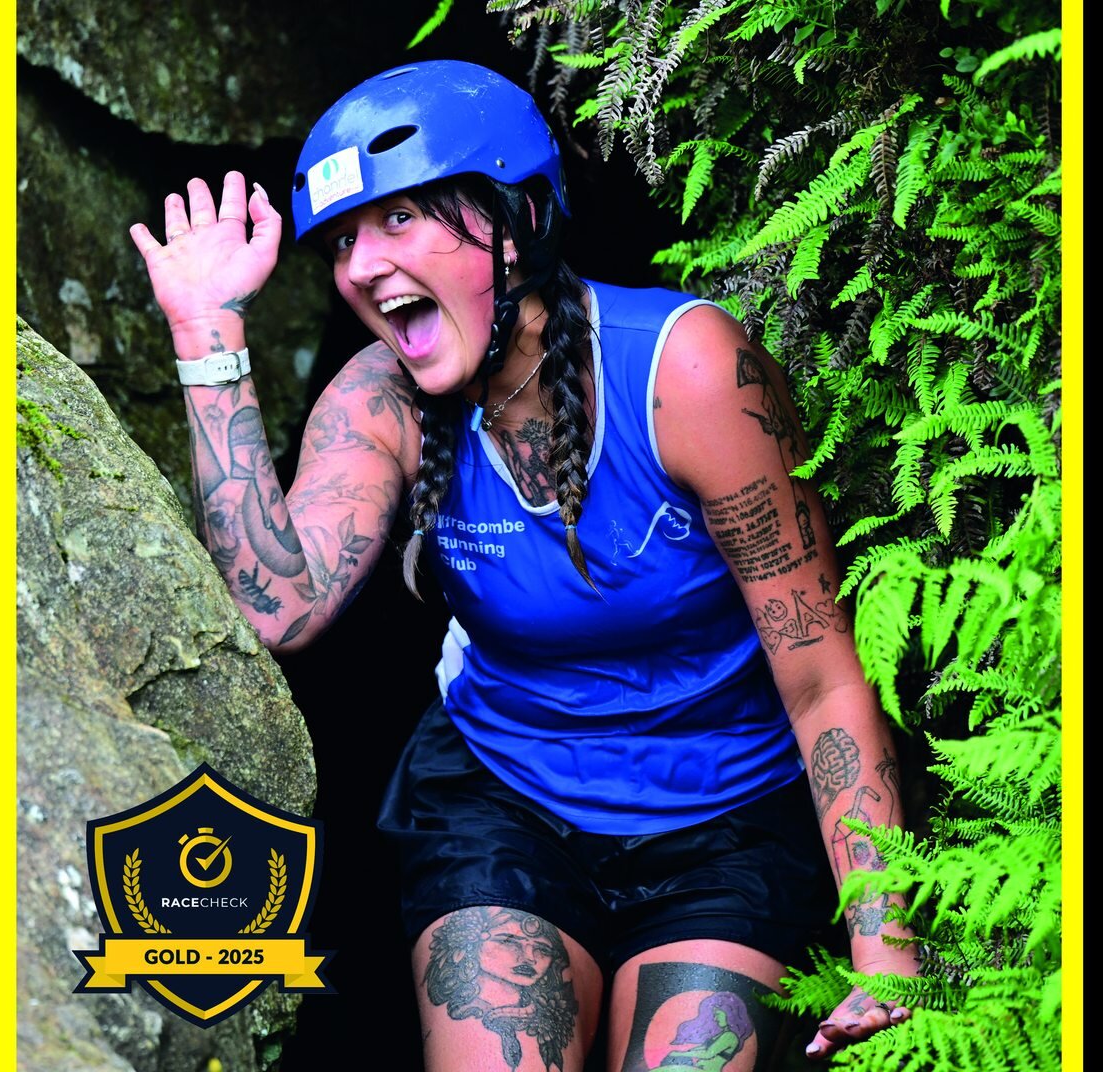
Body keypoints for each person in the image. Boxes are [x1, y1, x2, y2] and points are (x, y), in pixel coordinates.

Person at [127, 60, 917, 1070]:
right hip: (503, 801)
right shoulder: (380, 398)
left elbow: (821, 677)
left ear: (520, 221)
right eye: (343, 242)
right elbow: (279, 608)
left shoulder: (688, 372)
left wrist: (883, 951)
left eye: (400, 219)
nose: (363, 266)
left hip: (727, 819)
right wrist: (207, 333)